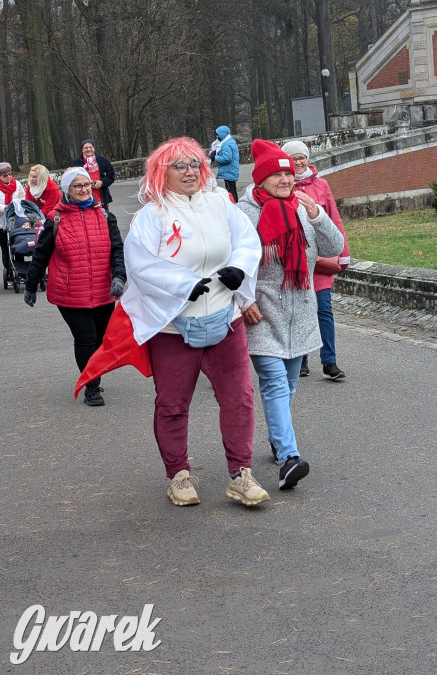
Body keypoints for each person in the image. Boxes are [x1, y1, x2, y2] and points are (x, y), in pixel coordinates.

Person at [95, 136, 269, 508]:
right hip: (174, 327)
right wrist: (183, 285)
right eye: (180, 166)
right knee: (172, 403)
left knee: (239, 399)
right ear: (163, 171)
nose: (190, 172)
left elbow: (247, 241)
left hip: (226, 321)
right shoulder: (151, 216)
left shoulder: (222, 204)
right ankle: (178, 474)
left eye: (194, 164)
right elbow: (141, 264)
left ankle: (241, 473)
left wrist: (239, 267)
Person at [237, 139, 344, 491]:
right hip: (263, 315)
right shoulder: (244, 213)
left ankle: (277, 437)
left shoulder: (301, 207)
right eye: (278, 173)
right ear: (262, 179)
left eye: (289, 172)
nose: (286, 178)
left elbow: (332, 248)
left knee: (290, 385)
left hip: (301, 312)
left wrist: (318, 215)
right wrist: (243, 300)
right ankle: (288, 458)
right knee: (275, 383)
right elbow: (230, 263)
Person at [23, 167, 126, 407]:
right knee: (86, 338)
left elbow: (117, 251)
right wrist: (30, 286)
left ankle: (93, 374)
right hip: (69, 292)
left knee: (101, 339)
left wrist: (119, 276)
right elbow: (41, 254)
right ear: (67, 189)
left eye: (87, 184)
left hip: (103, 290)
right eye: (77, 186)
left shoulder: (105, 216)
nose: (83, 189)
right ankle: (91, 386)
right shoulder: (55, 219)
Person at [282, 140, 350, 380]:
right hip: (296, 262)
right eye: (294, 158)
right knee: (299, 310)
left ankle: (329, 362)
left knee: (323, 309)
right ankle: (301, 359)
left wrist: (343, 253)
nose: (299, 162)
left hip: (320, 260)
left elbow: (334, 218)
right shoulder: (282, 186)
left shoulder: (321, 185)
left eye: (302, 157)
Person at [0, 161, 25, 282]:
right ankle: (8, 272)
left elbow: (23, 197)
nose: (8, 177)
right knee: (5, 248)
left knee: (18, 247)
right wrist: (4, 208)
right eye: (5, 175)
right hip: (2, 222)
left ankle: (21, 271)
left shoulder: (18, 185)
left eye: (10, 174)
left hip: (16, 220)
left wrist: (17, 205)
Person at [72, 139, 116, 209]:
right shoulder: (76, 163)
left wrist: (102, 182)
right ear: (82, 150)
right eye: (86, 148)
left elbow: (111, 176)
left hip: (101, 197)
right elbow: (72, 180)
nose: (88, 149)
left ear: (94, 149)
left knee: (103, 218)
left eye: (90, 147)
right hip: (83, 198)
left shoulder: (102, 160)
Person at [209, 125, 240, 203]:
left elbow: (227, 158)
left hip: (229, 171)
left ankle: (234, 205)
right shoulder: (230, 142)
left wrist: (216, 157)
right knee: (232, 189)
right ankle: (235, 203)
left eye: (218, 135)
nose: (217, 137)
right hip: (231, 171)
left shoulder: (226, 144)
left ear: (222, 135)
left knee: (230, 190)